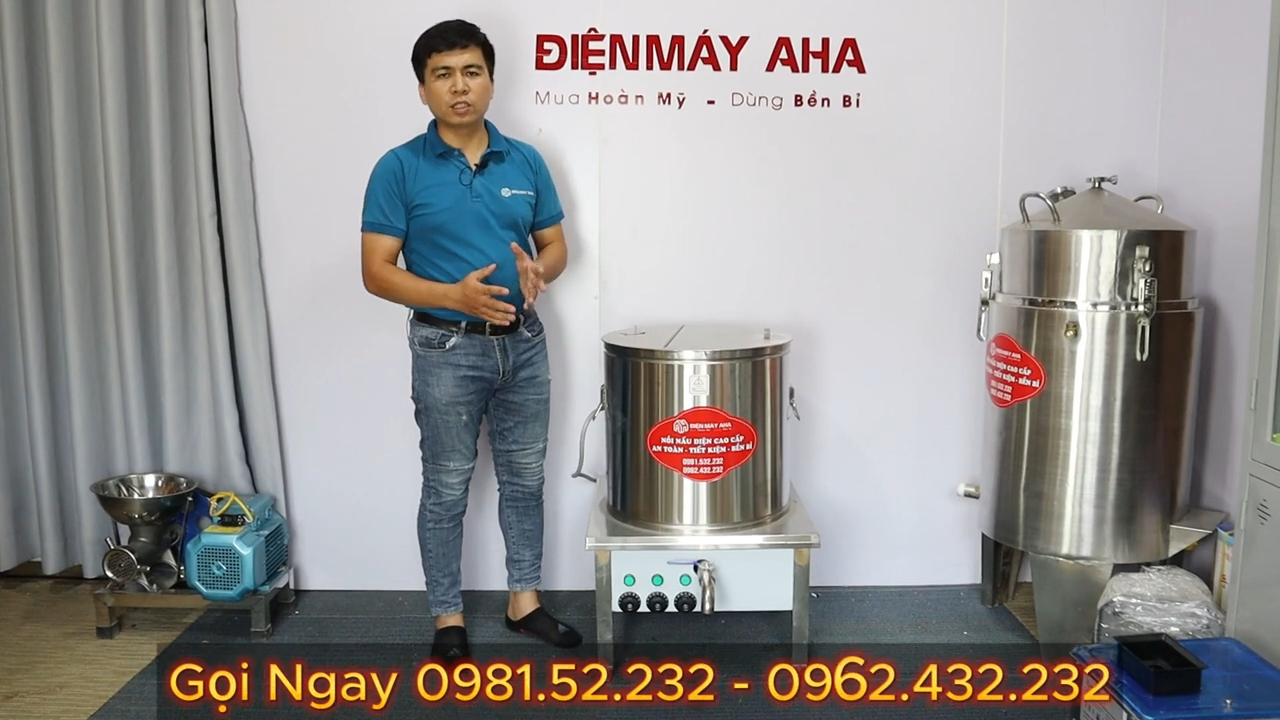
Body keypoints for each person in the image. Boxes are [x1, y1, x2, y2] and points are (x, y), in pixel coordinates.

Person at [359, 19, 582, 660]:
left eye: (471, 72)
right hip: (446, 350)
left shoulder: (526, 160)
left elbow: (556, 245)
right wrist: (452, 296)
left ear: (490, 80)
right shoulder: (399, 168)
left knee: (525, 479)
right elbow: (376, 272)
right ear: (423, 89)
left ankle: (524, 602)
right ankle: (447, 616)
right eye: (443, 75)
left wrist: (542, 270)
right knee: (447, 486)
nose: (460, 87)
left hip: (525, 342)